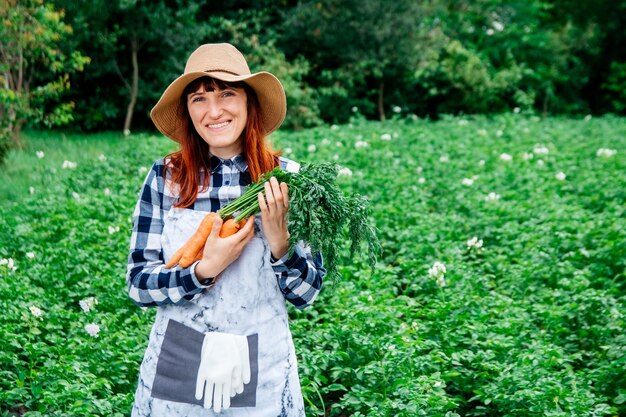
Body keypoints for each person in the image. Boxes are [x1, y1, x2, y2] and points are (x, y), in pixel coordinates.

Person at [126, 43, 325, 417]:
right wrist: (203, 271)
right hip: (179, 358)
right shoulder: (165, 178)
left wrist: (280, 244)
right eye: (199, 98)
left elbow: (307, 295)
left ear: (250, 103)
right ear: (187, 110)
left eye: (227, 94)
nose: (213, 111)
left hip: (261, 362)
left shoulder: (288, 180)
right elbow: (138, 285)